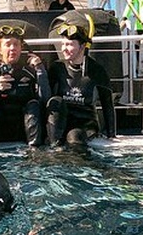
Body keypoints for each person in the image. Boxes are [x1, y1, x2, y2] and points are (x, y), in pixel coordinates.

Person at [0, 25, 50, 150]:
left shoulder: (30, 71)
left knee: (33, 104)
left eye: (16, 44)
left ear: (21, 48)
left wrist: (40, 70)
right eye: (8, 44)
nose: (12, 48)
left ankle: (35, 154)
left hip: (24, 130)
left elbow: (45, 100)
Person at [46, 22, 116, 151]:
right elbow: (47, 98)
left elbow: (107, 104)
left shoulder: (96, 70)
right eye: (63, 44)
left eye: (69, 45)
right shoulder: (57, 68)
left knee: (74, 138)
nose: (63, 49)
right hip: (61, 121)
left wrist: (111, 134)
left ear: (83, 46)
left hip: (84, 123)